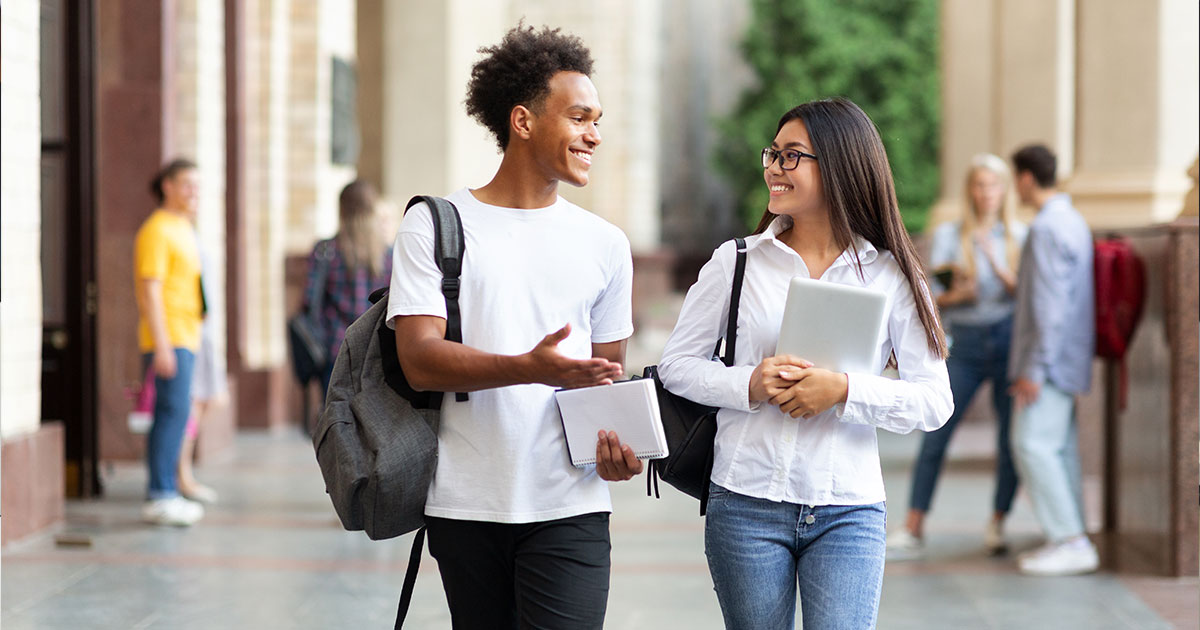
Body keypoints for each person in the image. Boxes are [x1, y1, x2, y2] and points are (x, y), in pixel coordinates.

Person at [658, 98, 953, 630]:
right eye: (773, 152)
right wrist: (749, 382)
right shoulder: (738, 261)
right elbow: (677, 366)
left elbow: (935, 401)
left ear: (839, 164)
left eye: (792, 156)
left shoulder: (892, 275)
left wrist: (843, 390)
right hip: (745, 501)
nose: (774, 166)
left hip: (849, 508)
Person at [385, 24, 643, 629]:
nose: (594, 135)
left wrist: (619, 449)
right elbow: (418, 358)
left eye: (598, 119)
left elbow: (605, 382)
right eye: (579, 117)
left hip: (571, 504)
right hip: (465, 504)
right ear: (523, 122)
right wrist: (529, 368)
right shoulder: (434, 225)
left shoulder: (606, 244)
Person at [886, 153, 1027, 559]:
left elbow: (1029, 296)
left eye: (994, 185)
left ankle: (998, 522)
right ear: (970, 189)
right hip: (963, 342)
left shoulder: (1021, 234)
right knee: (935, 433)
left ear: (1005, 191)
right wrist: (958, 294)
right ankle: (913, 526)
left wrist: (999, 267)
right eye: (980, 184)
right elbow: (931, 295)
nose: (987, 193)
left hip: (1006, 341)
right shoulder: (950, 234)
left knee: (1008, 439)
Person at [1007, 144, 1098, 576]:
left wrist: (1033, 370)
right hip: (1069, 358)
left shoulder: (1045, 228)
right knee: (1056, 449)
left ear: (1026, 178)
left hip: (1050, 363)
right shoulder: (1073, 220)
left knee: (1032, 445)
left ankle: (1071, 540)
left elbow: (1049, 308)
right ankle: (1070, 536)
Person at [134, 158, 206, 526]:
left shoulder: (183, 227)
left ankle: (167, 491)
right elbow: (151, 289)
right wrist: (161, 344)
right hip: (169, 338)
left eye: (197, 184)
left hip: (186, 336)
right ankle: (161, 494)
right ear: (168, 186)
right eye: (186, 184)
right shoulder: (157, 230)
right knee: (170, 415)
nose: (194, 191)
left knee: (177, 415)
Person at [301, 179, 393, 397]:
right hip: (377, 354)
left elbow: (309, 302)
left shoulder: (325, 251)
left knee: (336, 422)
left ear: (341, 209)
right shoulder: (389, 255)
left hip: (335, 351)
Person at [177, 242, 226, 504]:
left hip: (204, 334)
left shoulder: (190, 235)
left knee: (208, 401)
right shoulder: (176, 235)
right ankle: (182, 473)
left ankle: (183, 471)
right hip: (191, 334)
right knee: (191, 404)